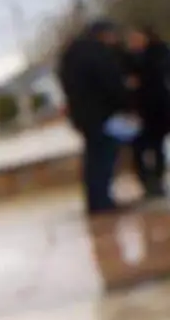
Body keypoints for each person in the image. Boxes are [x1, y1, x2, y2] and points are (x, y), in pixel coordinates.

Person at [57, 18, 136, 215]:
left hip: (83, 115)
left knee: (93, 158)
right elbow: (110, 83)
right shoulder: (98, 54)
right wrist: (125, 101)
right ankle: (102, 202)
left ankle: (96, 200)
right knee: (103, 157)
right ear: (104, 34)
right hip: (101, 114)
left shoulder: (72, 54)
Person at [126, 26, 169, 199]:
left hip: (157, 108)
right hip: (137, 112)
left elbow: (159, 74)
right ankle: (146, 181)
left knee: (157, 147)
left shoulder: (158, 53)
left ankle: (157, 181)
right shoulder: (128, 58)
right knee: (139, 149)